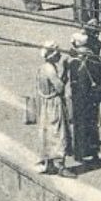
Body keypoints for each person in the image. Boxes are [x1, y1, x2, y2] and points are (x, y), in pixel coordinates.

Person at [66, 34, 101, 164]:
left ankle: (79, 153)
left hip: (78, 97)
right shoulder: (92, 57)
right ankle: (94, 152)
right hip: (91, 97)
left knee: (79, 124)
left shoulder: (72, 60)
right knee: (92, 124)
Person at [34, 43, 73, 176]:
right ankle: (61, 166)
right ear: (52, 55)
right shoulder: (51, 70)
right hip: (54, 103)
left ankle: (48, 163)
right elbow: (60, 87)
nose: (59, 55)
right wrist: (66, 72)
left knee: (47, 132)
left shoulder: (42, 68)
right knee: (59, 132)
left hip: (45, 103)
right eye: (57, 54)